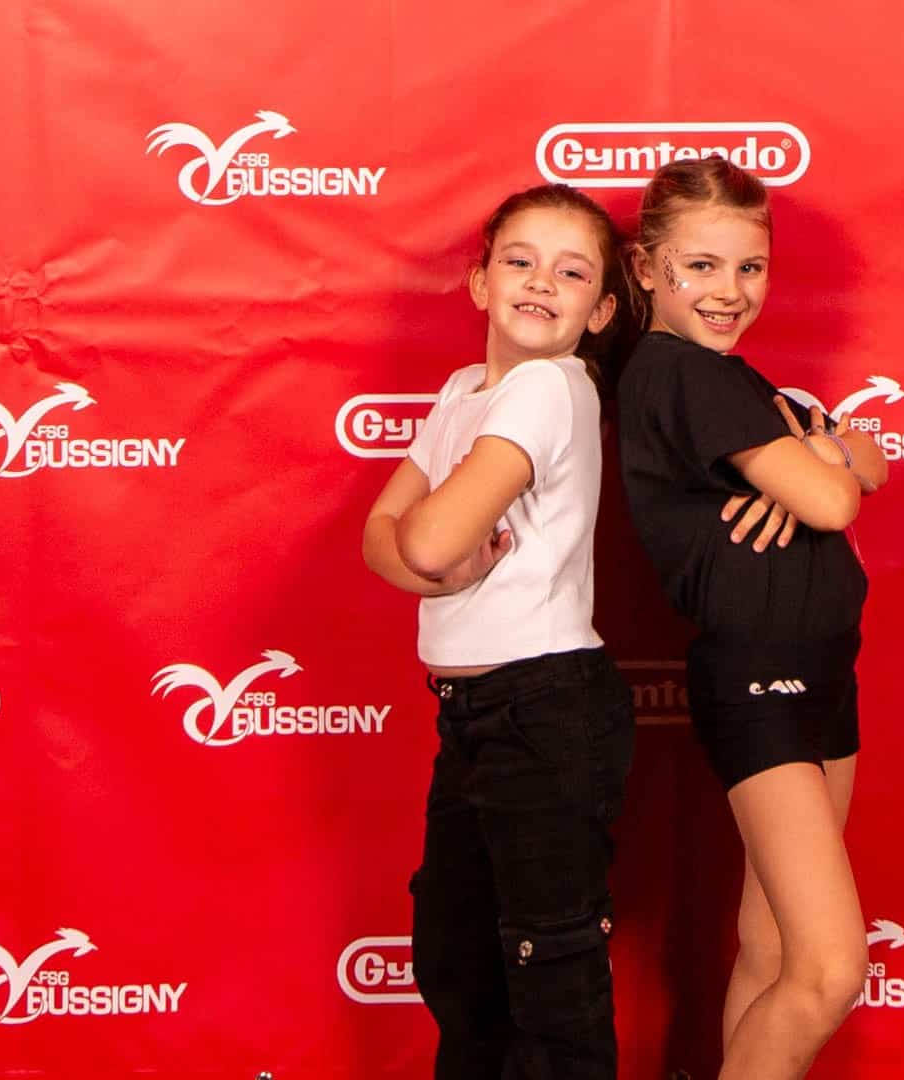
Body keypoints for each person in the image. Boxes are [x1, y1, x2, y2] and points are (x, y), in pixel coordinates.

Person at [617, 157, 889, 1079]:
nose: (729, 291)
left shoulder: (730, 377)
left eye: (750, 266)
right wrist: (821, 466)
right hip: (761, 674)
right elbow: (838, 499)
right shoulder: (683, 373)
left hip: (822, 671)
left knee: (772, 951)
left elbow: (867, 455)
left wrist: (823, 454)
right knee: (828, 969)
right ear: (646, 267)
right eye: (700, 266)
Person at [362, 183, 636, 1079]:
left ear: (600, 312)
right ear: (481, 282)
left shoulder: (549, 387)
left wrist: (431, 556)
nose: (540, 282)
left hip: (543, 707)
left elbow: (423, 539)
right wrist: (437, 563)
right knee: (460, 965)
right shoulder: (462, 393)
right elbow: (379, 538)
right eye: (519, 261)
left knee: (549, 983)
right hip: (474, 712)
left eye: (572, 272)